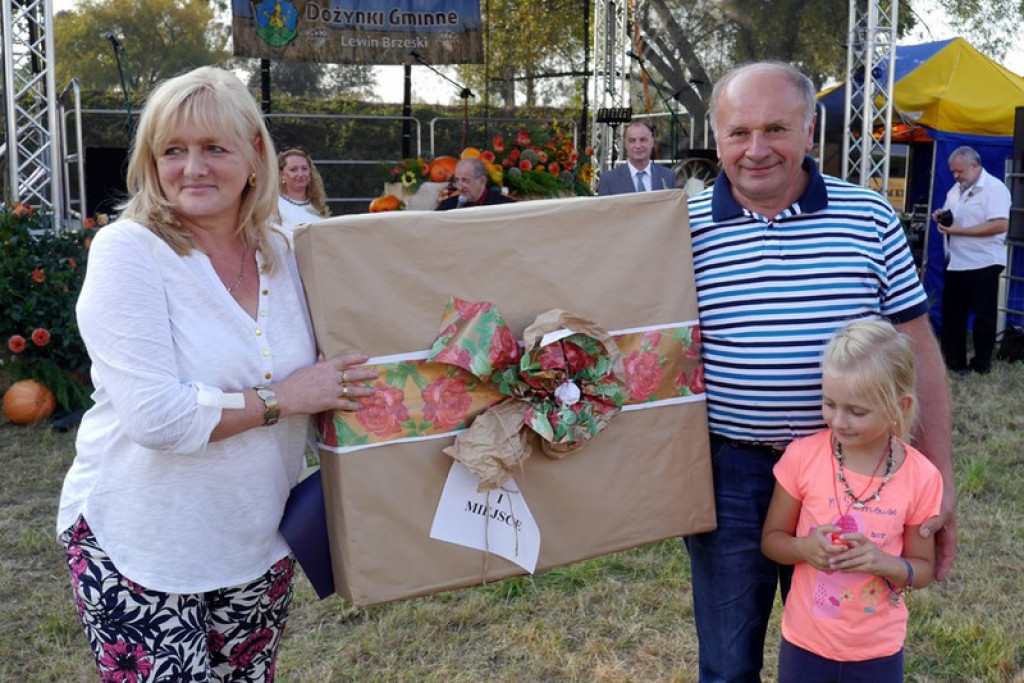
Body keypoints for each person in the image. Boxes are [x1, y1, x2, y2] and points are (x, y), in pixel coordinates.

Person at [56, 66, 376, 681]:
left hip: (257, 541)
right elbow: (159, 419)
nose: (192, 167)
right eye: (172, 150)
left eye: (213, 148)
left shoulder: (289, 250)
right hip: (142, 548)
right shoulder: (130, 251)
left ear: (256, 156)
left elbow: (351, 362)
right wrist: (286, 397)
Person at [685, 61, 956, 682]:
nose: (756, 150)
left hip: (857, 474)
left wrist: (936, 471)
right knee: (727, 661)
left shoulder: (870, 219)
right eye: (738, 132)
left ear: (811, 131)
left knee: (843, 647)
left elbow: (918, 347)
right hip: (729, 469)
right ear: (717, 136)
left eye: (776, 128)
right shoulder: (682, 228)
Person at [762, 319, 942, 680]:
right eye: (829, 403)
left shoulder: (921, 477)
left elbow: (922, 570)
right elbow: (772, 541)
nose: (838, 421)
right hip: (805, 646)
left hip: (878, 652)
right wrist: (804, 549)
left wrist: (883, 562)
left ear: (898, 406)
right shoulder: (802, 458)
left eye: (856, 411)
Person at [932, 146, 1011, 375]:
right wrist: (942, 217)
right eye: (953, 171)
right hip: (956, 261)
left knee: (983, 318)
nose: (956, 176)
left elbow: (999, 224)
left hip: (983, 262)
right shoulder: (955, 190)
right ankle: (954, 362)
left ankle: (980, 365)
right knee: (952, 315)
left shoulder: (995, 188)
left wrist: (960, 230)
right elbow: (952, 219)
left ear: (975, 166)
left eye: (960, 171)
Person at [597, 120, 676, 195]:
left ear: (652, 142)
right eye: (632, 140)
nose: (638, 146)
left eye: (643, 140)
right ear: (625, 144)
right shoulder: (609, 180)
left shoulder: (668, 176)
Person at [277, 146, 330, 235]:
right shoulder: (274, 206)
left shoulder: (318, 205)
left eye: (304, 168)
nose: (300, 174)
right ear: (282, 174)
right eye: (293, 170)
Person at [435, 157, 515, 209]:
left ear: (482, 181)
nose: (460, 187)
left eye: (465, 180)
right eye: (457, 180)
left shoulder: (504, 206)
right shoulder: (448, 206)